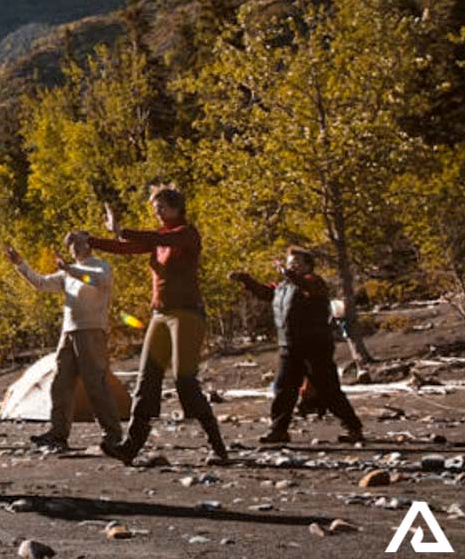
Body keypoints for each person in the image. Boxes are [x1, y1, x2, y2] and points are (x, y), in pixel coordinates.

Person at [88, 186, 229, 464]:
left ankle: (218, 447)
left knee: (184, 380)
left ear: (177, 208)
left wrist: (121, 229)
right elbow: (126, 249)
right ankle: (131, 446)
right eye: (155, 207)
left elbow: (148, 237)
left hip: (187, 314)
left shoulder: (187, 234)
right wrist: (90, 240)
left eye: (162, 206)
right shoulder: (160, 238)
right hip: (160, 315)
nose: (157, 211)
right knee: (146, 378)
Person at [230, 247, 365, 445]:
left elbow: (306, 286)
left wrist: (288, 273)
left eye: (297, 263)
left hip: (314, 347)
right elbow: (266, 293)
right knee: (283, 390)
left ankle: (353, 428)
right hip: (289, 346)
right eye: (290, 262)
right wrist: (246, 280)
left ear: (308, 266)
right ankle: (278, 431)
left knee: (328, 390)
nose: (292, 266)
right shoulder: (283, 287)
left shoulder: (314, 282)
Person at [5, 232, 121, 453]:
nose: (74, 248)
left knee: (96, 385)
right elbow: (41, 283)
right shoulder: (68, 273)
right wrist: (20, 264)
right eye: (71, 245)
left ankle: (113, 436)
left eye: (78, 243)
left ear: (89, 244)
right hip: (68, 333)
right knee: (61, 384)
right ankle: (58, 434)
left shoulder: (100, 266)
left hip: (91, 332)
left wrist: (69, 269)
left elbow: (96, 281)